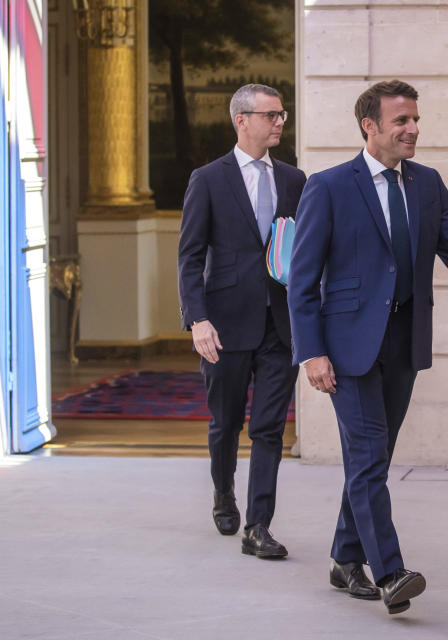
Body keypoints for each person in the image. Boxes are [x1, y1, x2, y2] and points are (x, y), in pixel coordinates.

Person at [288, 80, 448, 614]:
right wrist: (311, 351)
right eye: (401, 121)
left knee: (374, 457)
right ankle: (390, 572)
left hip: (405, 339)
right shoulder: (328, 187)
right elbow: (301, 281)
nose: (413, 129)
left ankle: (345, 558)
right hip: (345, 345)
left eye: (415, 119)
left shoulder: (427, 184)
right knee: (370, 454)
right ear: (369, 126)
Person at [177, 84, 306, 559]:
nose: (278, 123)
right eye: (271, 115)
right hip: (225, 323)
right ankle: (223, 495)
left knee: (269, 428)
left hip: (281, 324)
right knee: (226, 422)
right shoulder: (208, 179)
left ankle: (259, 526)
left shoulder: (295, 180)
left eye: (281, 115)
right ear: (242, 120)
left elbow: (305, 253)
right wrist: (198, 320)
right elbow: (189, 257)